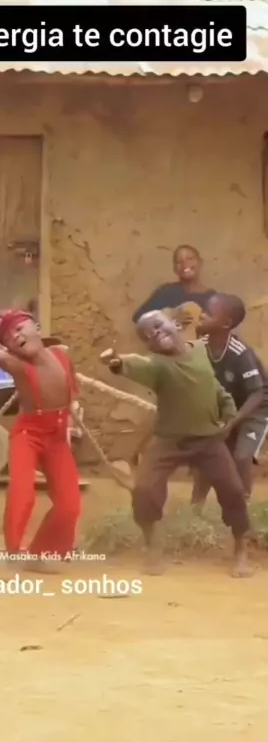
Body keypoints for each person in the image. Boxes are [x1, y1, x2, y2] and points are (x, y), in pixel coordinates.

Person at [100, 310, 251, 577]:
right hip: (169, 441)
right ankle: (152, 543)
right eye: (147, 335)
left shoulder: (201, 351)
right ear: (149, 346)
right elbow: (134, 363)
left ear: (177, 324)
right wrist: (116, 361)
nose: (155, 333)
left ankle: (241, 548)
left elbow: (214, 387)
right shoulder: (157, 365)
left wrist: (228, 414)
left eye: (158, 325)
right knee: (144, 490)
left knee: (234, 491)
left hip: (207, 440)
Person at [0, 308, 81, 570]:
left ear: (36, 326)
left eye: (19, 329)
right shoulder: (16, 363)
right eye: (9, 337)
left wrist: (72, 419)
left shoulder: (62, 354)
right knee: (22, 494)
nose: (16, 336)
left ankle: (40, 554)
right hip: (28, 434)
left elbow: (73, 393)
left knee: (70, 505)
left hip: (57, 437)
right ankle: (13, 553)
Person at [191, 293, 268, 509]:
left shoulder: (240, 354)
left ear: (225, 324)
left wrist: (232, 423)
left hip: (256, 409)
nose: (201, 315)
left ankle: (242, 508)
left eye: (208, 313)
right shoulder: (199, 347)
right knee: (208, 455)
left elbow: (257, 393)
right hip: (228, 408)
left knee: (241, 457)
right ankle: (195, 508)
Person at [132, 244, 217, 332]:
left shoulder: (213, 298)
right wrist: (170, 316)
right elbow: (139, 318)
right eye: (179, 262)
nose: (185, 264)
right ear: (175, 269)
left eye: (190, 259)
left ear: (200, 262)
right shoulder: (167, 292)